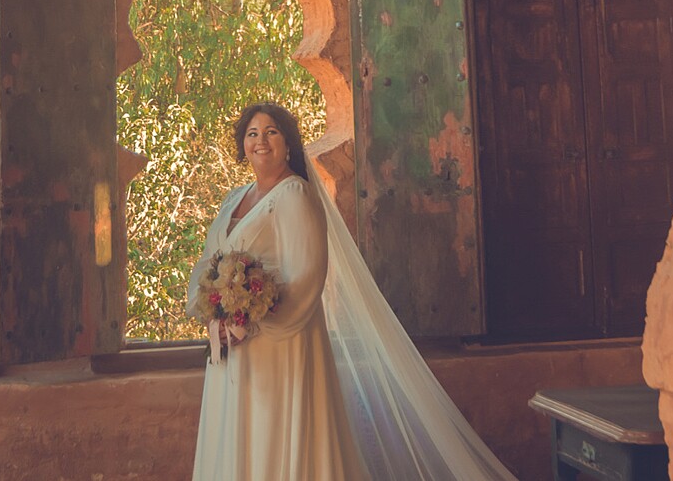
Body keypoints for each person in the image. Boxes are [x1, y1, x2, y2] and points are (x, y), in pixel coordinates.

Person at [189, 102, 518, 481]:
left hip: (277, 351)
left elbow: (308, 277)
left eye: (271, 132)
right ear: (242, 144)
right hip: (230, 350)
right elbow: (207, 263)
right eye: (252, 134)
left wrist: (250, 320)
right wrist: (214, 312)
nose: (261, 141)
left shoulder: (295, 195)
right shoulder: (235, 197)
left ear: (289, 144)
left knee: (271, 437)